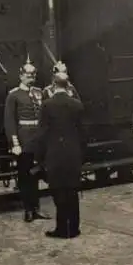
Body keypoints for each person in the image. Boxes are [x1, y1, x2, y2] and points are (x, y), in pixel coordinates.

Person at [35, 72, 85, 239]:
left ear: (53, 84)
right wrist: (81, 154)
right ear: (67, 84)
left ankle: (62, 228)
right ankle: (74, 228)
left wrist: (40, 157)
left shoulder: (46, 106)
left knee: (59, 191)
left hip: (54, 154)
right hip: (73, 154)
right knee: (72, 191)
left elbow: (42, 134)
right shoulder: (77, 105)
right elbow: (83, 133)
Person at [4, 58, 51, 222]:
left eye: (33, 74)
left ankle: (36, 207)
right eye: (28, 74)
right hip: (24, 140)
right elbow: (9, 121)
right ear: (21, 75)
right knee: (25, 176)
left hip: (37, 139)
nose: (31, 77)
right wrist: (14, 143)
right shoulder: (13, 95)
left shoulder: (39, 92)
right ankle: (28, 209)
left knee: (36, 174)